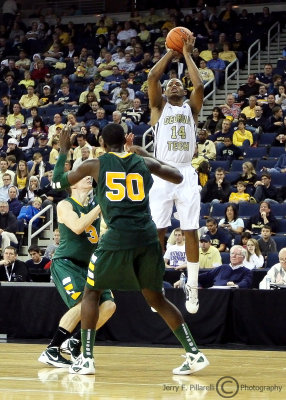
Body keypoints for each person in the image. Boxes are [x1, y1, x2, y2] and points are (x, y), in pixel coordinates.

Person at [52, 124, 209, 375]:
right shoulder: (141, 162)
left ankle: (87, 359)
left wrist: (63, 150)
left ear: (102, 144)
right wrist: (144, 153)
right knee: (156, 298)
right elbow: (178, 177)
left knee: (91, 293)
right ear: (125, 141)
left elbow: (59, 180)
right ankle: (194, 353)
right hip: (147, 238)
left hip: (116, 238)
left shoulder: (96, 164)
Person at [147, 34, 204, 314]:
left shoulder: (191, 109)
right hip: (161, 171)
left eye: (177, 83)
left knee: (190, 229)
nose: (173, 83)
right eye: (170, 83)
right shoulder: (159, 107)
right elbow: (151, 78)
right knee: (158, 231)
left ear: (182, 91)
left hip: (185, 173)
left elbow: (200, 85)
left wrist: (188, 54)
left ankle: (191, 286)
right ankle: (156, 284)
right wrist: (171, 52)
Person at [38, 175, 116, 368]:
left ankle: (75, 341)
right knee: (83, 304)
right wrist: (101, 206)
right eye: (83, 176)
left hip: (89, 266)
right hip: (67, 263)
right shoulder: (65, 205)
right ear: (72, 183)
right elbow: (78, 227)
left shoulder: (93, 207)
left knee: (109, 306)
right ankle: (52, 349)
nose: (89, 177)